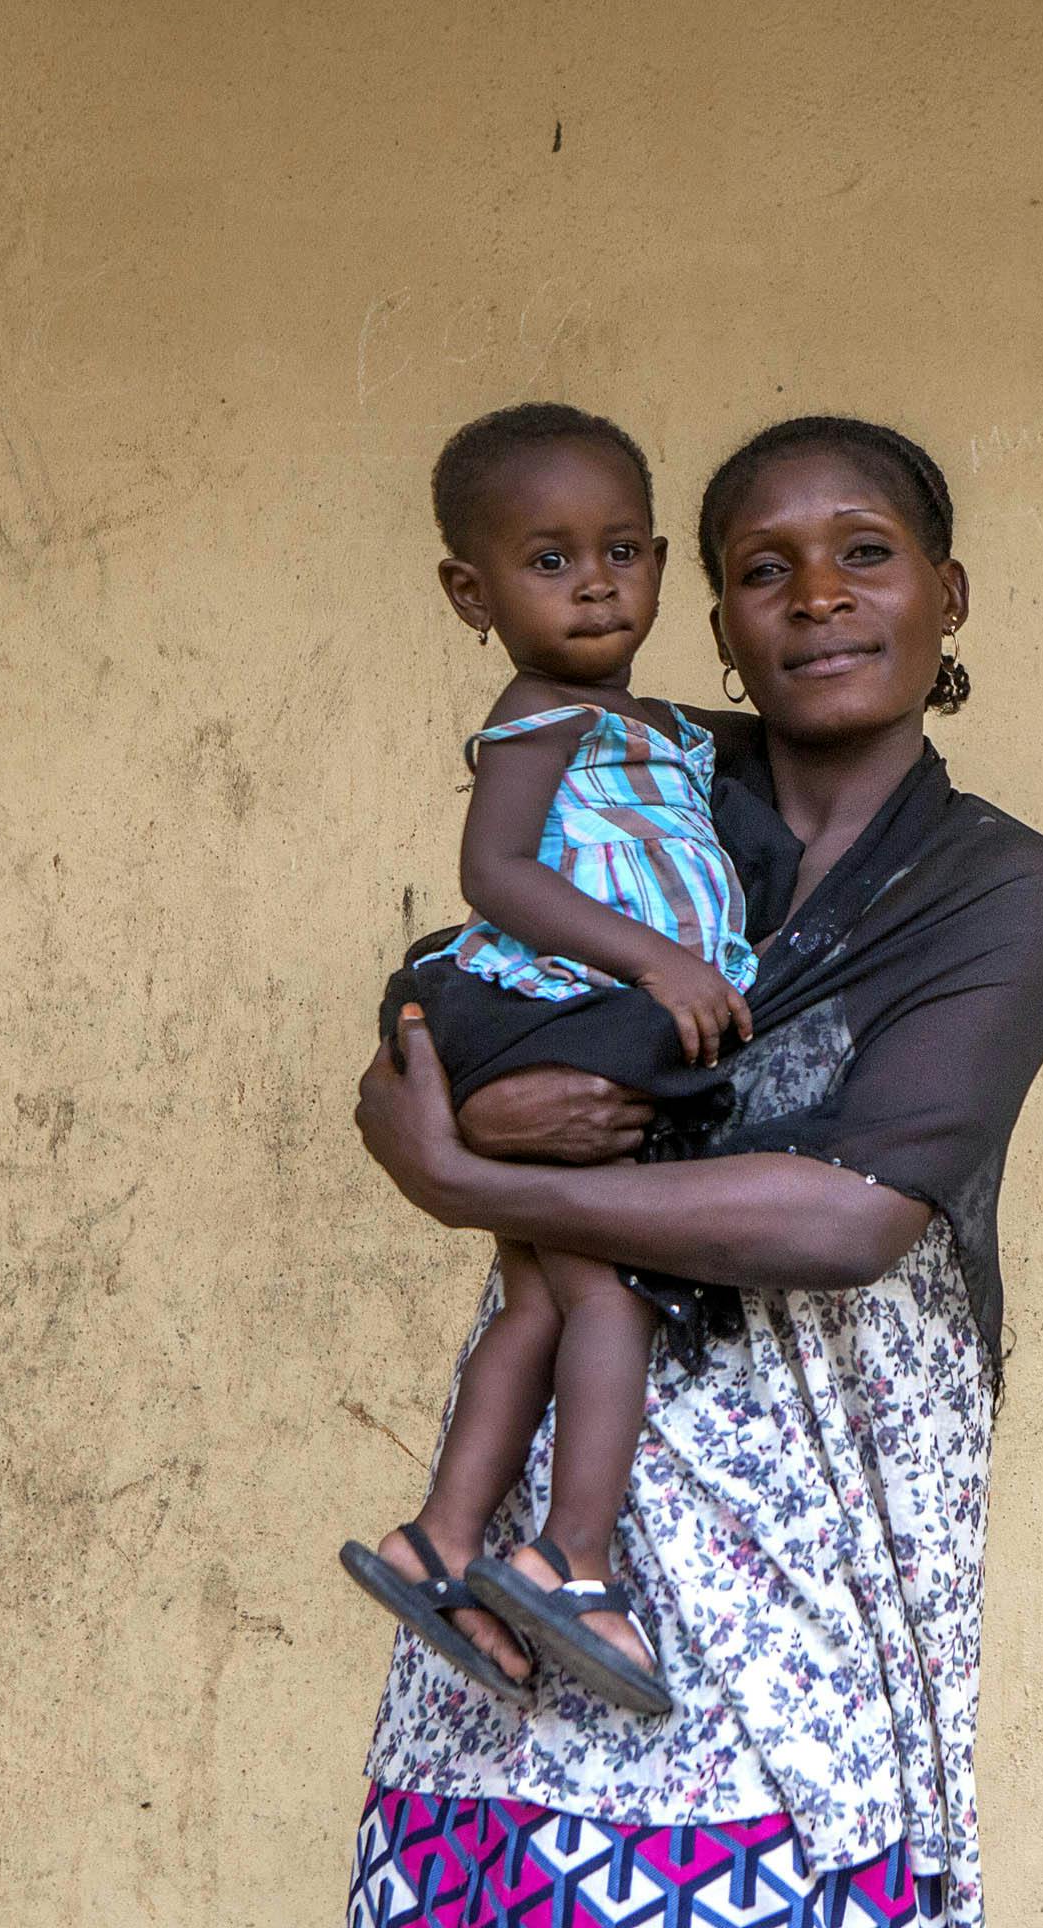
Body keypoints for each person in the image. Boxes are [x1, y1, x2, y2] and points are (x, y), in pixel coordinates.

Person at [349, 416, 1043, 1928]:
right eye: (768, 570)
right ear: (721, 627)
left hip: (833, 1490)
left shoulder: (1002, 887)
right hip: (577, 1473)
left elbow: (843, 1217)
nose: (819, 596)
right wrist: (439, 1093)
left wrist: (471, 1177)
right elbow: (445, 982)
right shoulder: (647, 781)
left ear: (947, 595)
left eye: (865, 556)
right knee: (493, 1864)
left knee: (770, 1869)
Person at [343, 402, 762, 1716]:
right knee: (610, 1296)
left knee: (537, 1298)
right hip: (558, 1011)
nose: (596, 582)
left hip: (571, 1011)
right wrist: (659, 961)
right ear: (472, 592)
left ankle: (444, 1537)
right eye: (550, 559)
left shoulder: (637, 722)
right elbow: (495, 871)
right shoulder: (539, 719)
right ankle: (574, 1560)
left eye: (625, 550)